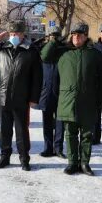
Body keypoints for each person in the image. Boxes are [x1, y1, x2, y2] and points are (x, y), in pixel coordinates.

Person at [40, 22, 102, 176]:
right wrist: (54, 41)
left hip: (88, 101)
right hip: (67, 100)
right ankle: (72, 163)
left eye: (80, 35)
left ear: (85, 36)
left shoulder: (94, 54)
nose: (76, 37)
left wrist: (100, 99)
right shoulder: (62, 52)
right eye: (74, 34)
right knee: (69, 133)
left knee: (86, 135)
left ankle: (84, 163)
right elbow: (44, 56)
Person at [0, 20, 43, 171]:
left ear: (23, 35)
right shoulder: (2, 48)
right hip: (3, 96)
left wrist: (34, 98)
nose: (14, 36)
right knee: (5, 129)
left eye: (17, 33)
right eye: (11, 33)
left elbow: (37, 78)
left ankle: (24, 158)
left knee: (22, 130)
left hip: (21, 98)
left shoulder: (31, 51)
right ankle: (5, 156)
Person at [37, 28, 65, 158]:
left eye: (56, 36)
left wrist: (58, 42)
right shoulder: (43, 49)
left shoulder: (64, 49)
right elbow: (46, 55)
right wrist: (52, 43)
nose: (54, 38)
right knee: (47, 122)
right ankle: (48, 147)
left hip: (61, 91)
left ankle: (58, 148)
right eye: (51, 36)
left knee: (60, 123)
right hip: (46, 91)